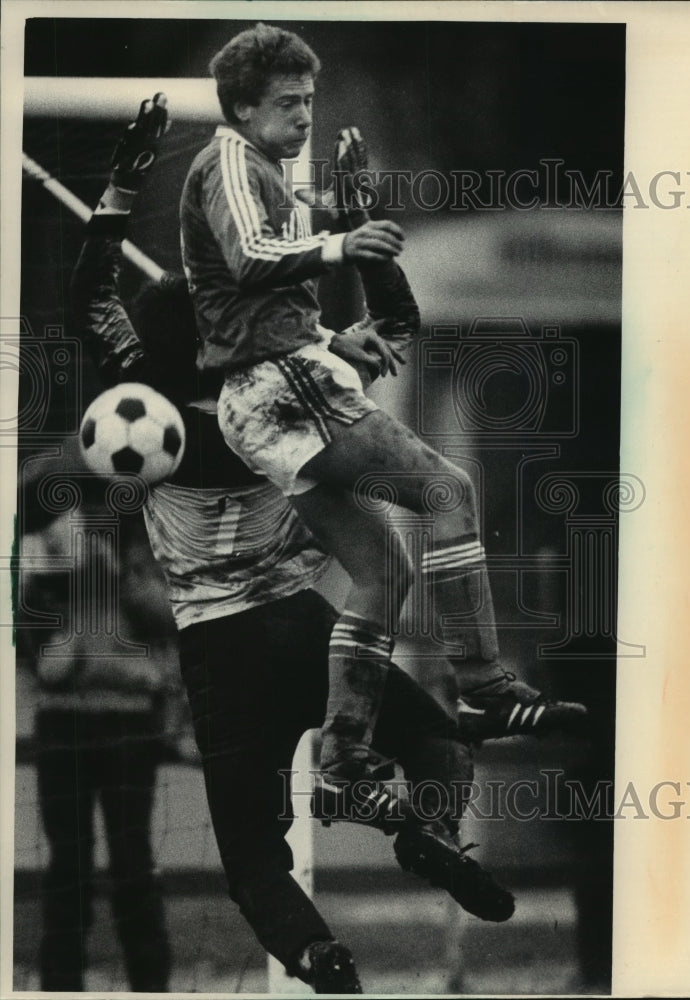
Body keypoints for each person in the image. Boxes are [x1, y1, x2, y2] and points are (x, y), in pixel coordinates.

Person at [69, 94, 516, 994]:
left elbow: (91, 296)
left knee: (250, 859)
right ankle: (428, 827)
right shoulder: (286, 384)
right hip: (311, 630)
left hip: (217, 650)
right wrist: (351, 226)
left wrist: (121, 182)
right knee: (431, 743)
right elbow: (391, 326)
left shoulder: (138, 412)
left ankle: (321, 957)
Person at [179, 22, 587, 793]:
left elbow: (253, 306)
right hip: (278, 391)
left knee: (382, 573)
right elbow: (247, 262)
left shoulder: (263, 167)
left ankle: (341, 754)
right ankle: (485, 688)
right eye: (290, 104)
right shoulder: (231, 158)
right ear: (240, 106)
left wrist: (336, 336)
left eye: (310, 101)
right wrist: (344, 244)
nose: (305, 118)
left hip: (274, 389)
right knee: (449, 491)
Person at [17, 499, 175, 993]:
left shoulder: (151, 535)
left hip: (128, 722)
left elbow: (172, 616)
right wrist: (68, 581)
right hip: (64, 722)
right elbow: (46, 659)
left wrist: (121, 574)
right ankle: (61, 983)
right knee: (68, 862)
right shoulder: (44, 536)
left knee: (132, 860)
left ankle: (150, 982)